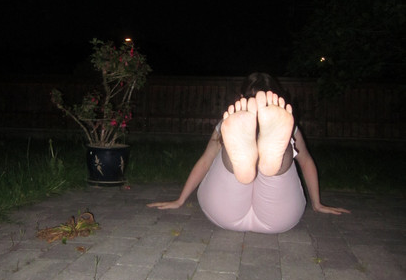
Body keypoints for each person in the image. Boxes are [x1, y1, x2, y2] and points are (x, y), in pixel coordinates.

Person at [147, 72, 350, 233]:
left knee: (263, 147)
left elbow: (206, 161)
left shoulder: (232, 123)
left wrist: (181, 200)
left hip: (224, 212)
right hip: (279, 217)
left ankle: (263, 159)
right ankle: (263, 160)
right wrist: (316, 203)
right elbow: (305, 161)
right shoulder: (232, 124)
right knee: (278, 148)